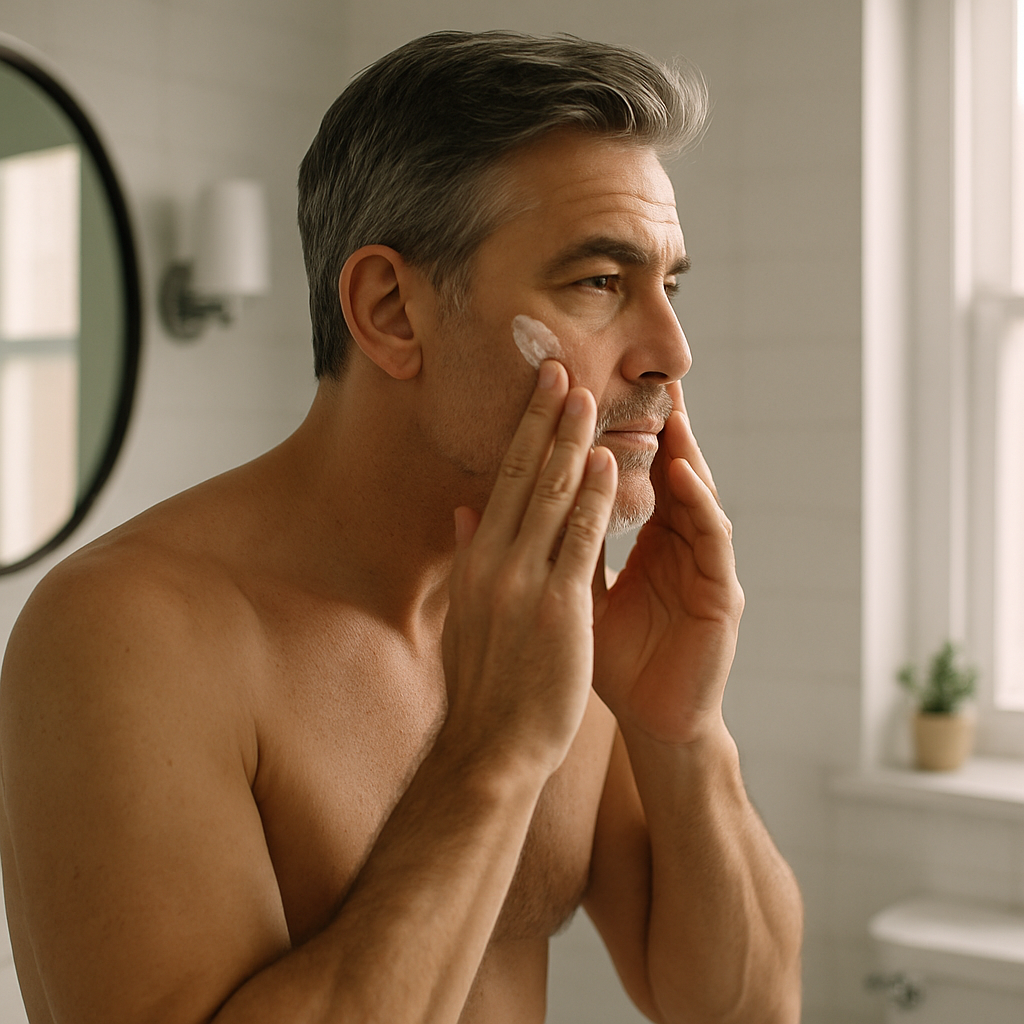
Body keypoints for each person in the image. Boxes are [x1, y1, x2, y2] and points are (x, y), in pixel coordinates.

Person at [0, 30, 803, 1024]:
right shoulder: (129, 633)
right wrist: (492, 751)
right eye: (599, 281)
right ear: (389, 310)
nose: (670, 350)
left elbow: (746, 1009)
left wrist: (681, 732)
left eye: (667, 286)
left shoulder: (565, 611)